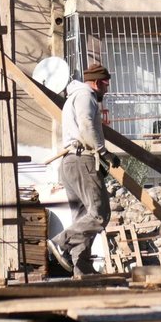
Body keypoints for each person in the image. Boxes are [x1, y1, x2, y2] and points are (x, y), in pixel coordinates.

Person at [49, 62, 117, 276]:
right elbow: (87, 126)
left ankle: (82, 270)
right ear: (96, 83)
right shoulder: (86, 95)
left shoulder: (73, 97)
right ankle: (61, 242)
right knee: (99, 214)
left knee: (82, 217)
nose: (106, 90)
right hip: (82, 160)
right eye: (105, 85)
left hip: (70, 162)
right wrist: (104, 153)